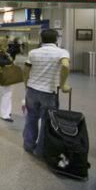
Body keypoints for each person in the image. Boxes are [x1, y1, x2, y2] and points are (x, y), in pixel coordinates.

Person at [22, 29, 70, 157]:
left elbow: (26, 70)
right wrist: (63, 84)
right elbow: (65, 66)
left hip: (32, 90)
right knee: (46, 121)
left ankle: (28, 145)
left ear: (41, 39)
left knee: (31, 118)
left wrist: (26, 84)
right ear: (56, 39)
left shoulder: (33, 52)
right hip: (49, 92)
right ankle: (41, 150)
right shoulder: (61, 52)